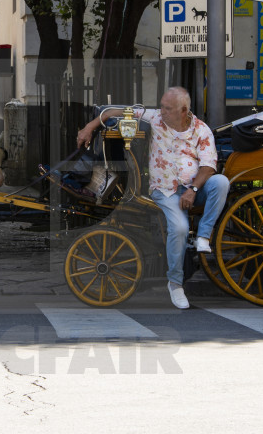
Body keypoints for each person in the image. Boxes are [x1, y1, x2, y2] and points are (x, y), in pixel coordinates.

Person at [75, 87, 229, 309]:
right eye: (162, 106)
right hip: (165, 190)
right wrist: (89, 128)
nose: (162, 111)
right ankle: (175, 284)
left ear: (183, 110)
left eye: (168, 108)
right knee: (178, 228)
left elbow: (208, 166)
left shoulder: (201, 130)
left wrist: (193, 190)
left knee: (222, 182)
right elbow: (110, 113)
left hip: (195, 188)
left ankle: (204, 236)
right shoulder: (156, 117)